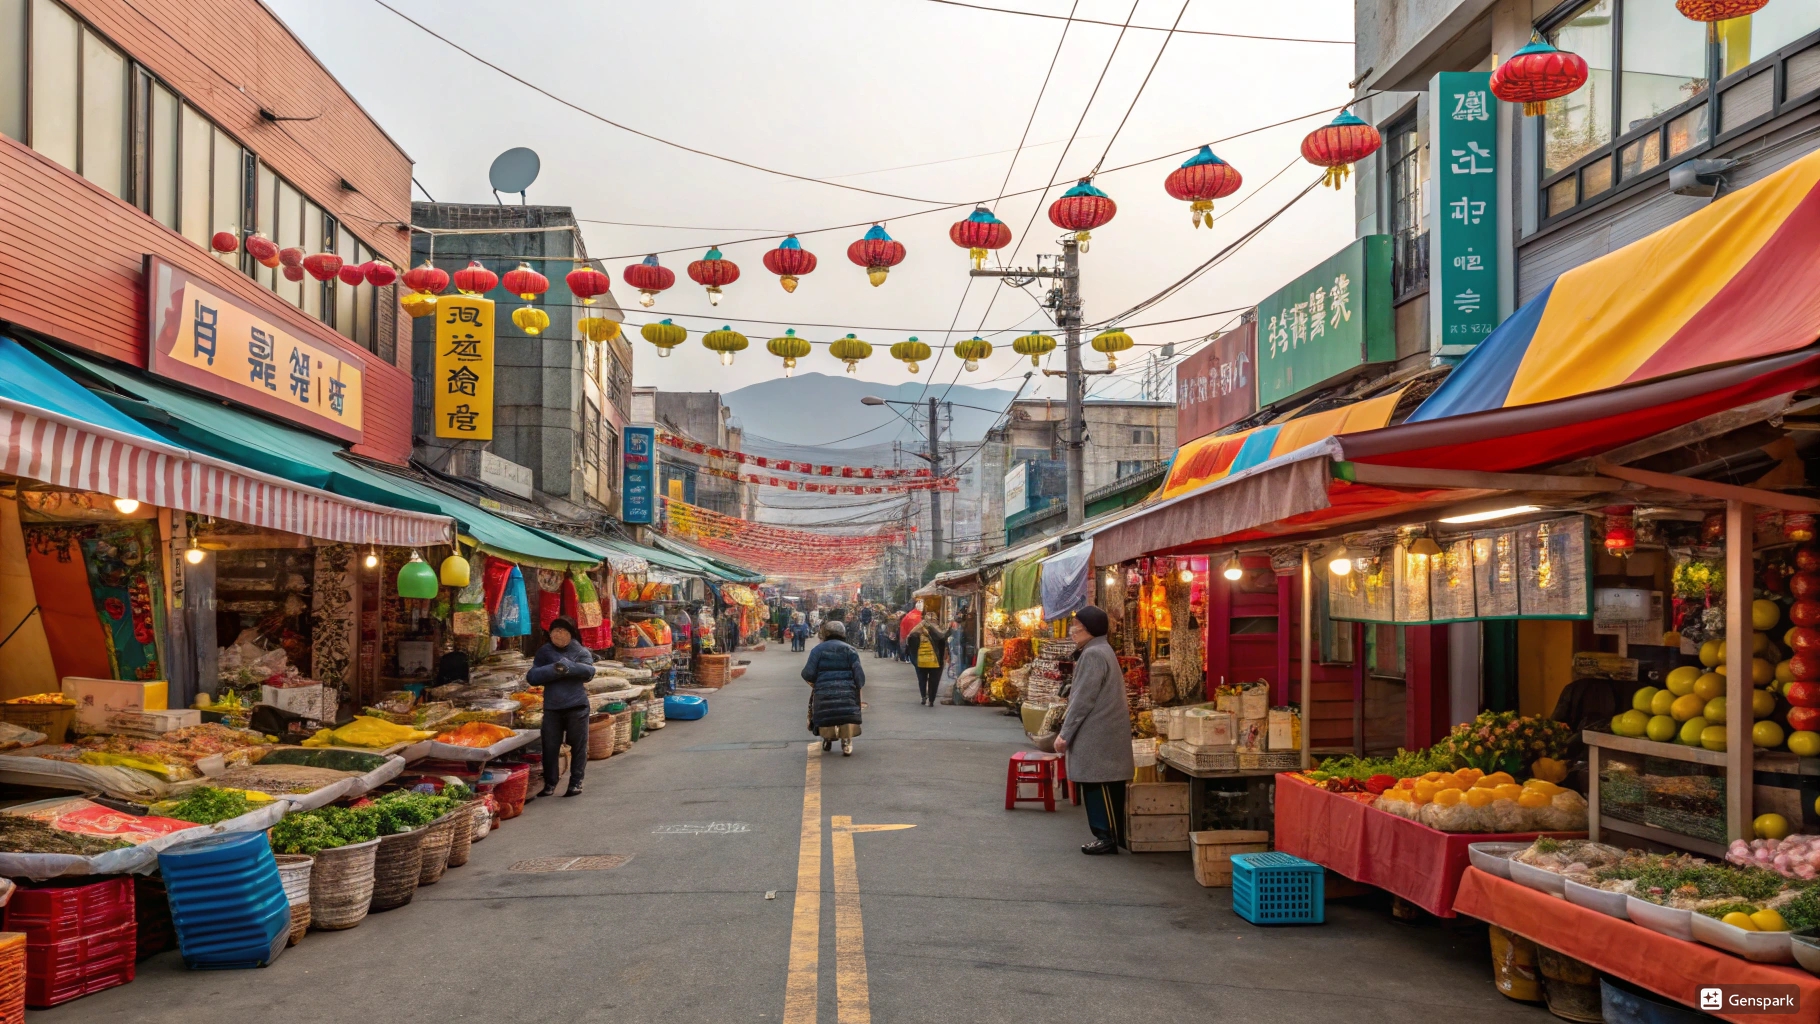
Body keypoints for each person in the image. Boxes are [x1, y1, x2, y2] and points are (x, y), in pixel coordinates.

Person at [1055, 606, 1134, 855]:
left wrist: (1064, 734)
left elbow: (1082, 699)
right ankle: (1107, 835)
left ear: (1088, 630)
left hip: (1098, 732)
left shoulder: (1093, 655)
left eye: (1076, 627)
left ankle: (1106, 836)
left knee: (1098, 783)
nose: (1072, 632)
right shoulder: (1099, 649)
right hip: (1103, 731)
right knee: (1102, 783)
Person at [528, 616, 596, 797]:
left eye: (562, 630)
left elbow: (589, 672)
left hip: (577, 706)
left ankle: (576, 782)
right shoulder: (545, 652)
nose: (558, 634)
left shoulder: (580, 650)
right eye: (555, 630)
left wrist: (568, 667)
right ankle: (550, 783)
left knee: (579, 745)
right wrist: (553, 669)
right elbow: (532, 676)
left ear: (570, 633)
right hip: (552, 707)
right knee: (549, 746)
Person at [803, 620, 865, 756]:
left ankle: (827, 738)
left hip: (824, 692)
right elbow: (859, 676)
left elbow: (807, 673)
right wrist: (857, 687)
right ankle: (847, 742)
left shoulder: (817, 650)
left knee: (827, 714)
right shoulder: (850, 650)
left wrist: (818, 683)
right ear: (843, 633)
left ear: (825, 633)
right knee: (846, 715)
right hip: (847, 692)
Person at [906, 615, 949, 707]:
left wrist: (915, 662)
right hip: (935, 662)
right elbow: (943, 643)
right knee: (934, 681)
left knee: (922, 680)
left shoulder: (914, 634)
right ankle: (931, 700)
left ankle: (923, 697)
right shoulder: (938, 635)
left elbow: (910, 648)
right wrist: (942, 661)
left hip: (920, 662)